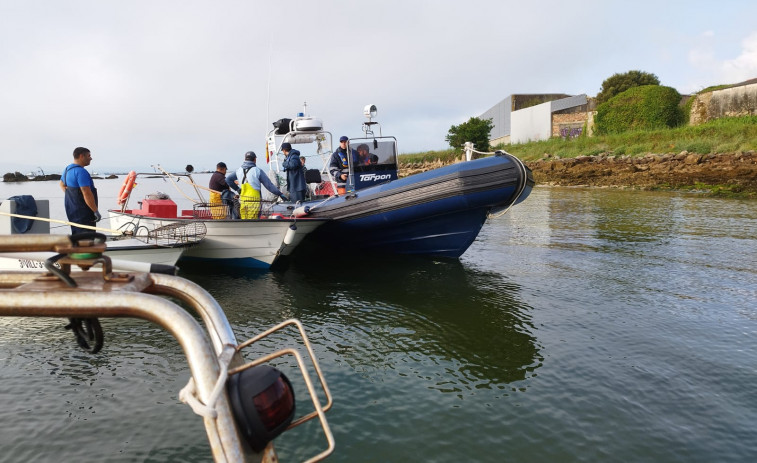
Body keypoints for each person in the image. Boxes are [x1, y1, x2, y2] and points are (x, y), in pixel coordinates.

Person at [226, 151, 287, 219]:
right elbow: (269, 186)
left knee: (244, 219)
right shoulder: (257, 171)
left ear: (245, 159)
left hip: (243, 201)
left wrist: (237, 189)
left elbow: (228, 179)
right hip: (254, 201)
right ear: (255, 159)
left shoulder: (238, 171)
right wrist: (279, 193)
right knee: (254, 220)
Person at [59, 147, 100, 234]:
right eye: (89, 156)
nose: (91, 158)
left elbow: (62, 184)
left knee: (77, 235)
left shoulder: (67, 170)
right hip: (84, 212)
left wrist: (73, 198)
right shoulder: (81, 172)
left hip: (72, 210)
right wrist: (95, 211)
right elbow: (86, 193)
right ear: (81, 156)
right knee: (87, 237)